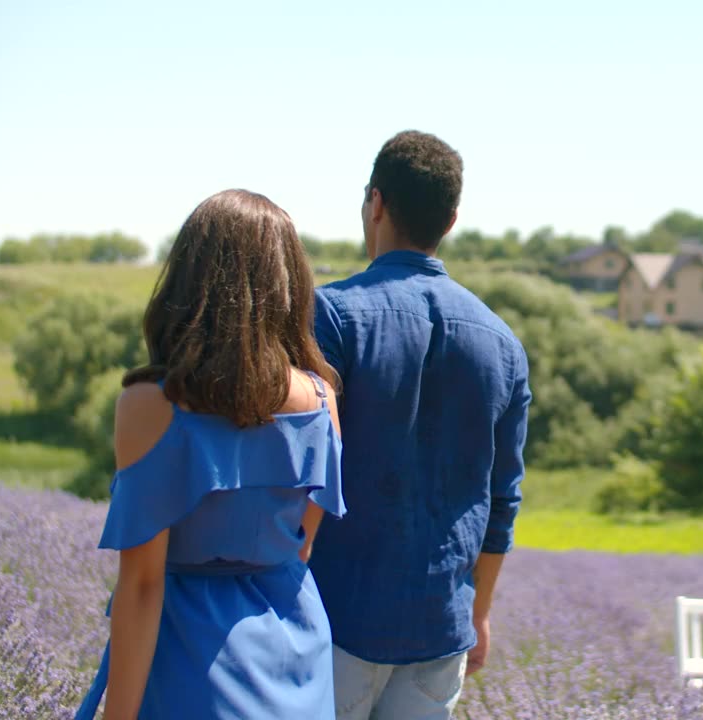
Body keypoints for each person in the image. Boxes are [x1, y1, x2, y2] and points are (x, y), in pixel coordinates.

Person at [74, 189, 345, 720]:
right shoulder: (321, 398)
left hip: (188, 661)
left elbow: (144, 582)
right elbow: (301, 546)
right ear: (288, 283)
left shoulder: (149, 405)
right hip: (295, 659)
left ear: (187, 278)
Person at [310, 130, 531, 719]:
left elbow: (295, 466)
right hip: (441, 627)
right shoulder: (505, 345)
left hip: (336, 618)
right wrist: (478, 613)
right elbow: (501, 500)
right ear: (451, 220)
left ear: (375, 203)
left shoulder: (330, 315)